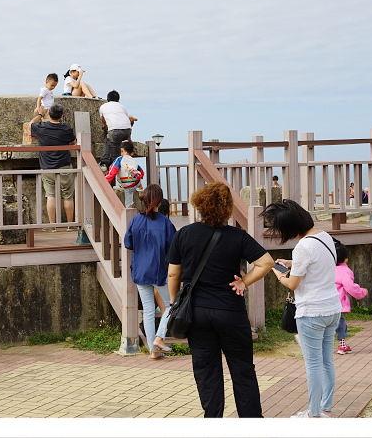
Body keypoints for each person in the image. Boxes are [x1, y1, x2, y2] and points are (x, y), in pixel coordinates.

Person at [167, 182, 274, 418]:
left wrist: (176, 303)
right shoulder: (237, 236)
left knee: (206, 370)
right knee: (243, 369)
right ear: (227, 209)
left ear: (200, 204)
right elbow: (266, 262)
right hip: (230, 312)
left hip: (197, 314)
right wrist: (244, 282)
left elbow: (173, 274)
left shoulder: (184, 234)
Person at [262, 199, 342, 418]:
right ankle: (325, 408)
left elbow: (293, 284)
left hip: (312, 313)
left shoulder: (303, 247)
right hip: (332, 309)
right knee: (327, 361)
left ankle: (313, 414)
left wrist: (279, 274)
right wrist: (291, 263)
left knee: (313, 364)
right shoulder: (324, 237)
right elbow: (318, 263)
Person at [123, 184, 175, 360]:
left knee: (148, 310)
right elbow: (172, 249)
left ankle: (153, 350)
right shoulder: (165, 223)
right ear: (159, 201)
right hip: (158, 271)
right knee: (171, 306)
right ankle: (159, 340)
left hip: (139, 271)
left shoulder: (135, 220)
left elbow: (128, 243)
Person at [30, 103, 77, 231]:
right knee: (68, 196)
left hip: (47, 167)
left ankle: (52, 225)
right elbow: (73, 142)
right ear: (61, 116)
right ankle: (70, 225)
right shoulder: (66, 129)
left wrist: (40, 114)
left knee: (50, 195)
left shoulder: (41, 127)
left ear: (49, 114)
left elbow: (30, 125)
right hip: (64, 166)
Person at [334, 241, 367, 355]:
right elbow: (350, 287)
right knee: (340, 324)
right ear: (346, 259)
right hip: (337, 303)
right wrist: (362, 292)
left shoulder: (325, 268)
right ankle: (342, 345)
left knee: (323, 325)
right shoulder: (345, 271)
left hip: (322, 302)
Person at [98, 90, 137, 171]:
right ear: (118, 100)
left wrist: (107, 127)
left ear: (107, 100)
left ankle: (105, 164)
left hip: (115, 133)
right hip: (127, 131)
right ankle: (104, 162)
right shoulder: (122, 107)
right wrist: (129, 139)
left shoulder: (103, 107)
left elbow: (102, 119)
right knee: (108, 139)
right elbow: (126, 120)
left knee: (115, 156)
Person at [105, 140, 144, 208]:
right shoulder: (132, 160)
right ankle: (139, 185)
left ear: (122, 150)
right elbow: (140, 170)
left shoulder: (119, 159)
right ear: (131, 153)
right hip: (136, 180)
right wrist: (141, 177)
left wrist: (106, 181)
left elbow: (113, 170)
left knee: (128, 200)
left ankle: (129, 209)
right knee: (136, 176)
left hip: (127, 184)